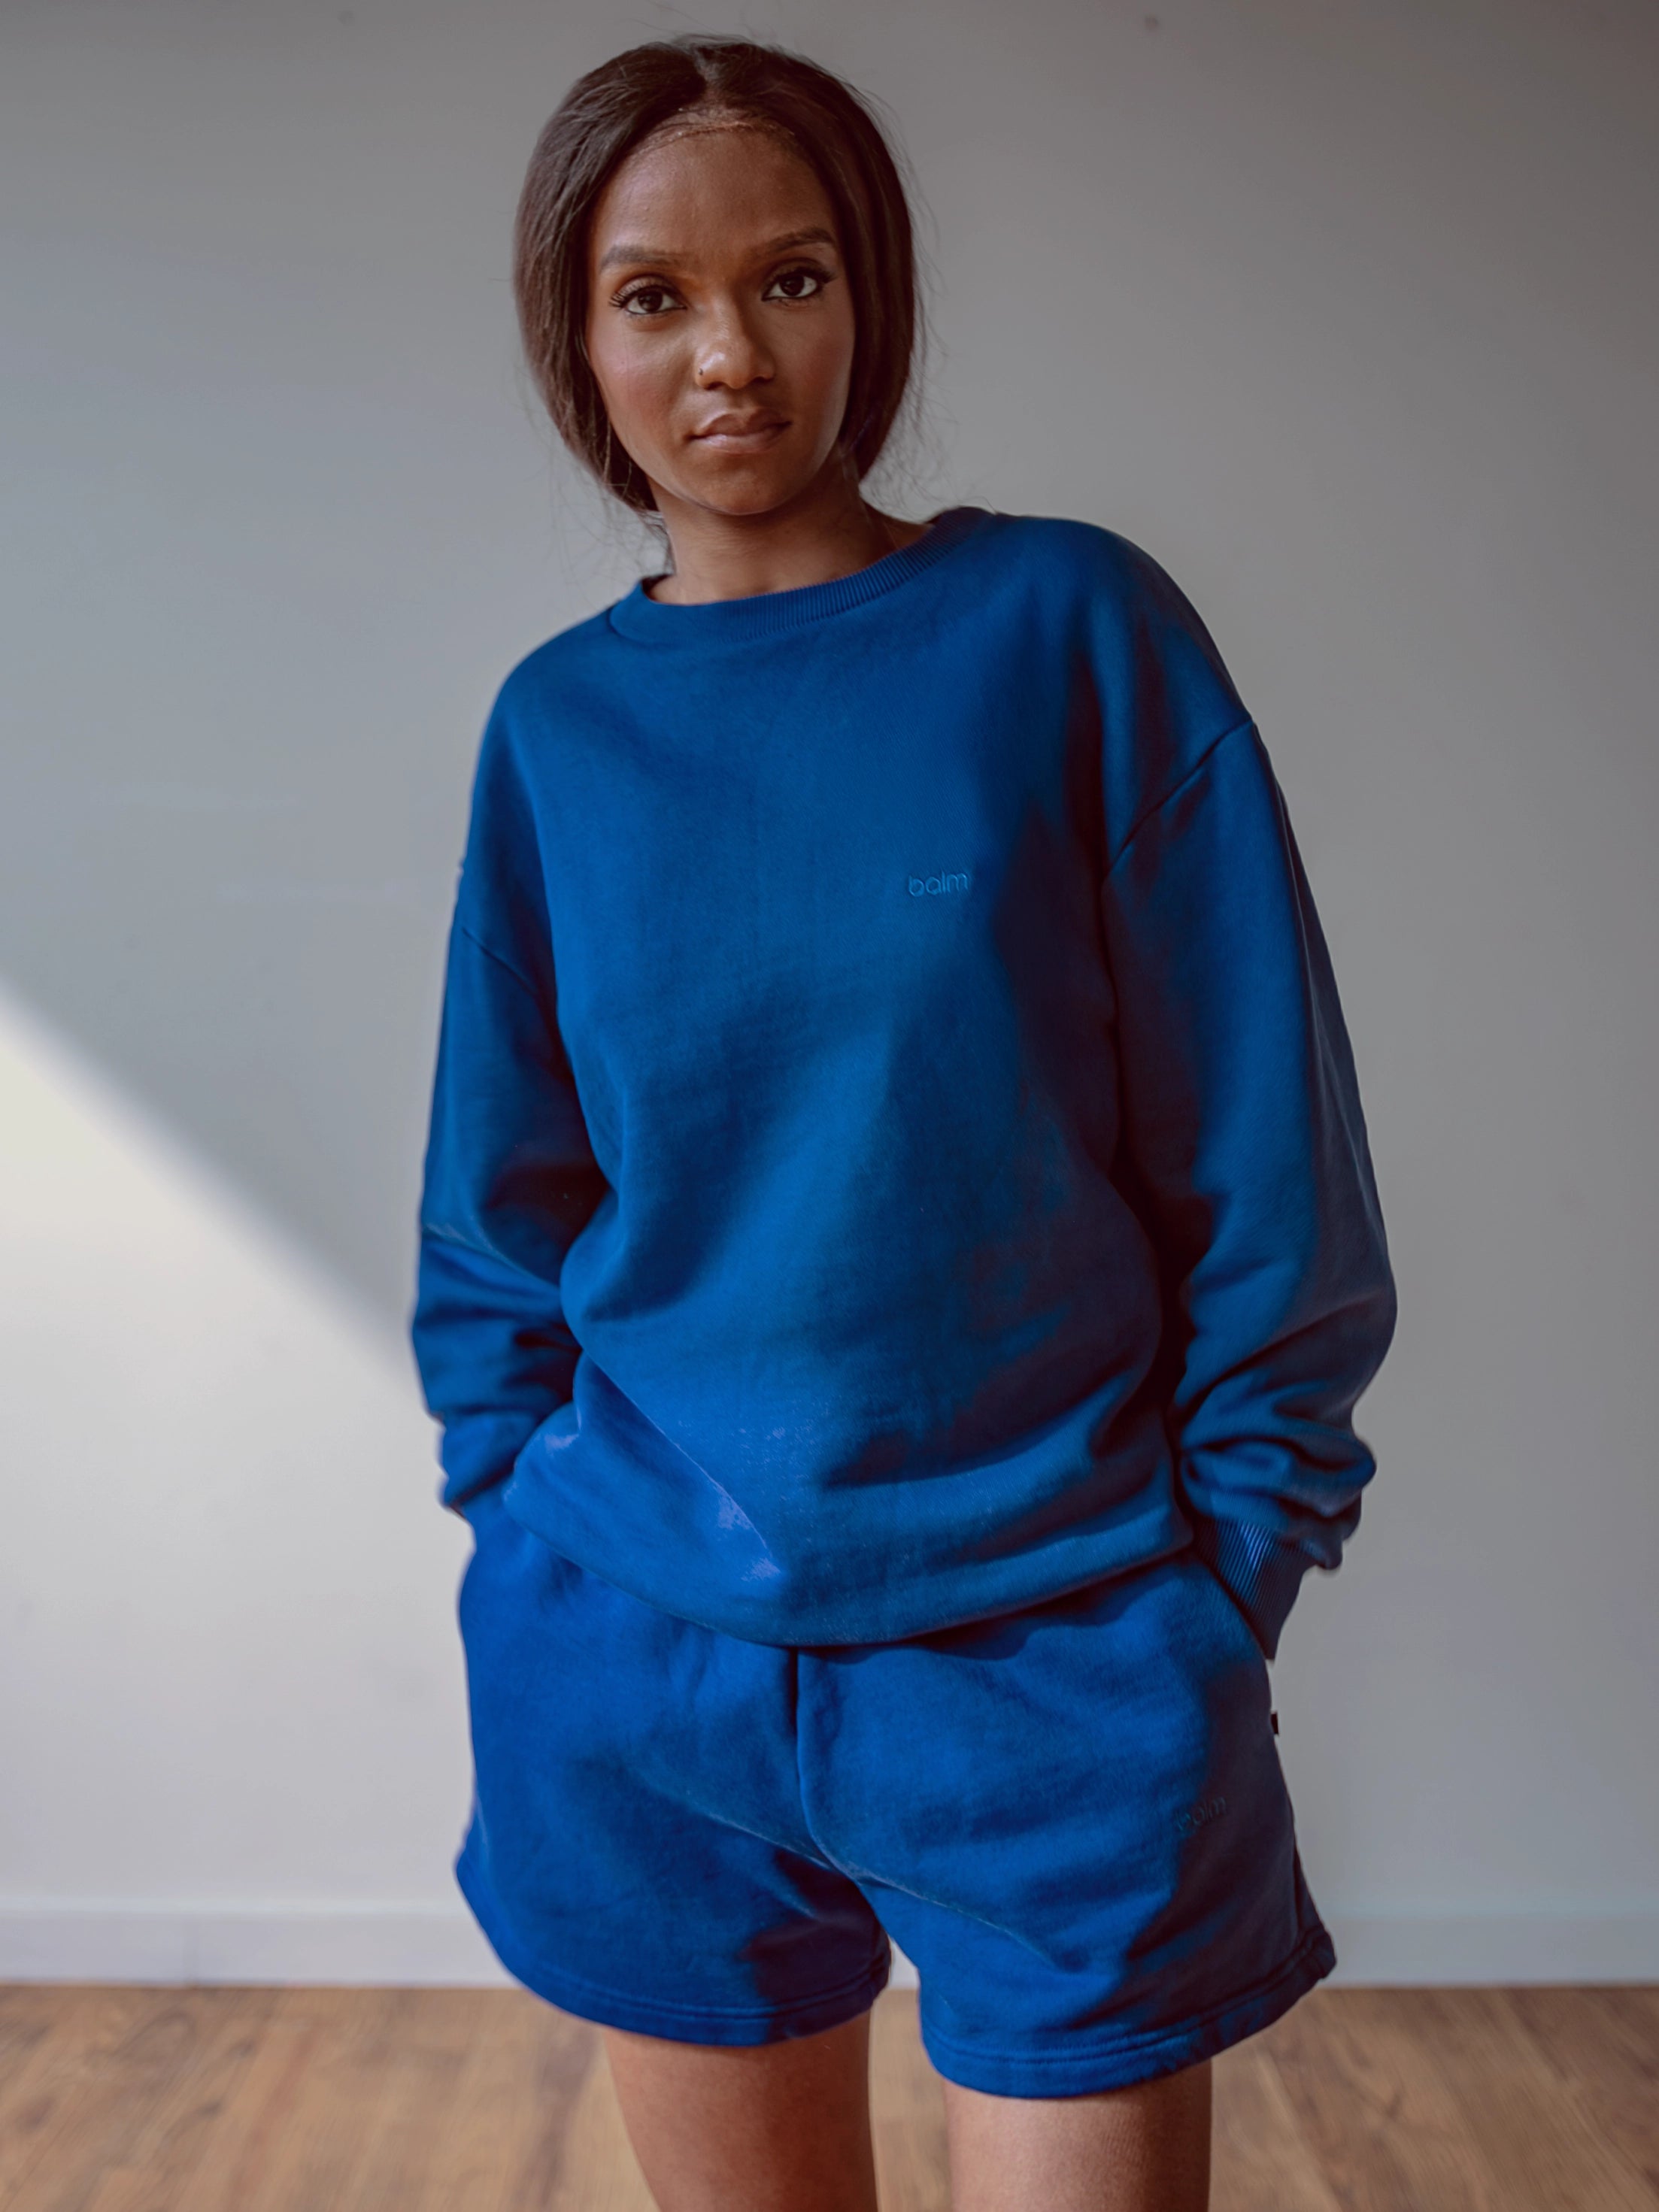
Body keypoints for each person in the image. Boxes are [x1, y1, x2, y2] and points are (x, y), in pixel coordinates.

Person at [411, 35, 1396, 2212]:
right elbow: (501, 1209)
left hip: (1056, 1660)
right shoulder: (560, 732)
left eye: (793, 276)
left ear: (875, 301)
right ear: (578, 342)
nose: (730, 353)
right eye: (651, 295)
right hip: (640, 1659)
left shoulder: (1068, 630)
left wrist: (1215, 1583)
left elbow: (1270, 1166)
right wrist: (524, 1528)